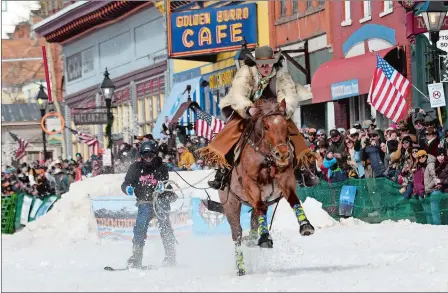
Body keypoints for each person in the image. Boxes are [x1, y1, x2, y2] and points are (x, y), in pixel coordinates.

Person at [197, 45, 314, 190]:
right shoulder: (245, 73)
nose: (266, 68)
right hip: (247, 108)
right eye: (262, 65)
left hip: (273, 109)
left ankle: (302, 170)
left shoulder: (282, 75)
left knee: (291, 131)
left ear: (274, 63)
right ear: (256, 64)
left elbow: (290, 95)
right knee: (233, 131)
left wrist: (284, 110)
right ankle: (223, 172)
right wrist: (248, 108)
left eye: (269, 64)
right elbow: (238, 94)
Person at [121, 140, 176, 268]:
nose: (148, 158)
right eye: (145, 155)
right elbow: (126, 183)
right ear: (141, 155)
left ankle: (170, 256)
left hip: (159, 200)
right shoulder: (135, 168)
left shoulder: (161, 167)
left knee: (165, 226)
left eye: (151, 155)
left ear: (155, 155)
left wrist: (164, 188)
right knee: (140, 226)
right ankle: (136, 257)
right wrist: (128, 188)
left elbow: (167, 183)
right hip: (144, 201)